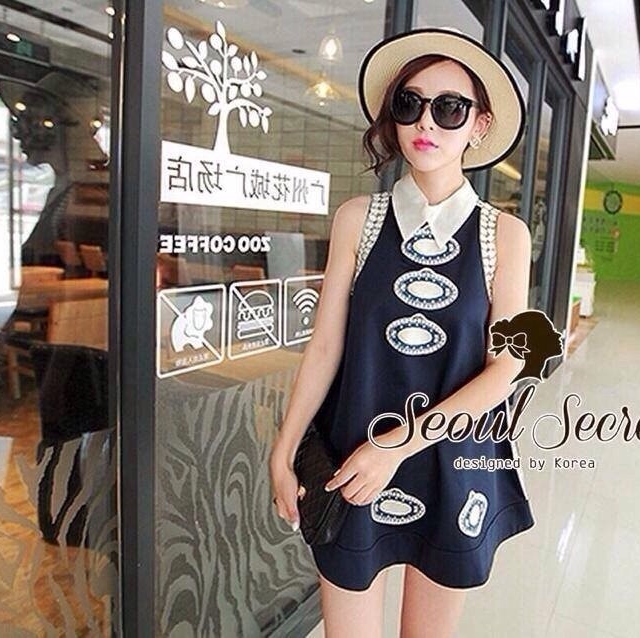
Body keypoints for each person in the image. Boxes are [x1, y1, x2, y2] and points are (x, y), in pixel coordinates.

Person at [268, 26, 535, 637]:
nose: (426, 122)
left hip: (451, 460)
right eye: (409, 104)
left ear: (480, 124)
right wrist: (283, 449)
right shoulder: (358, 219)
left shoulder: (505, 236)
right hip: (351, 457)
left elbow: (507, 367)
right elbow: (326, 346)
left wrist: (397, 445)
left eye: (450, 108)